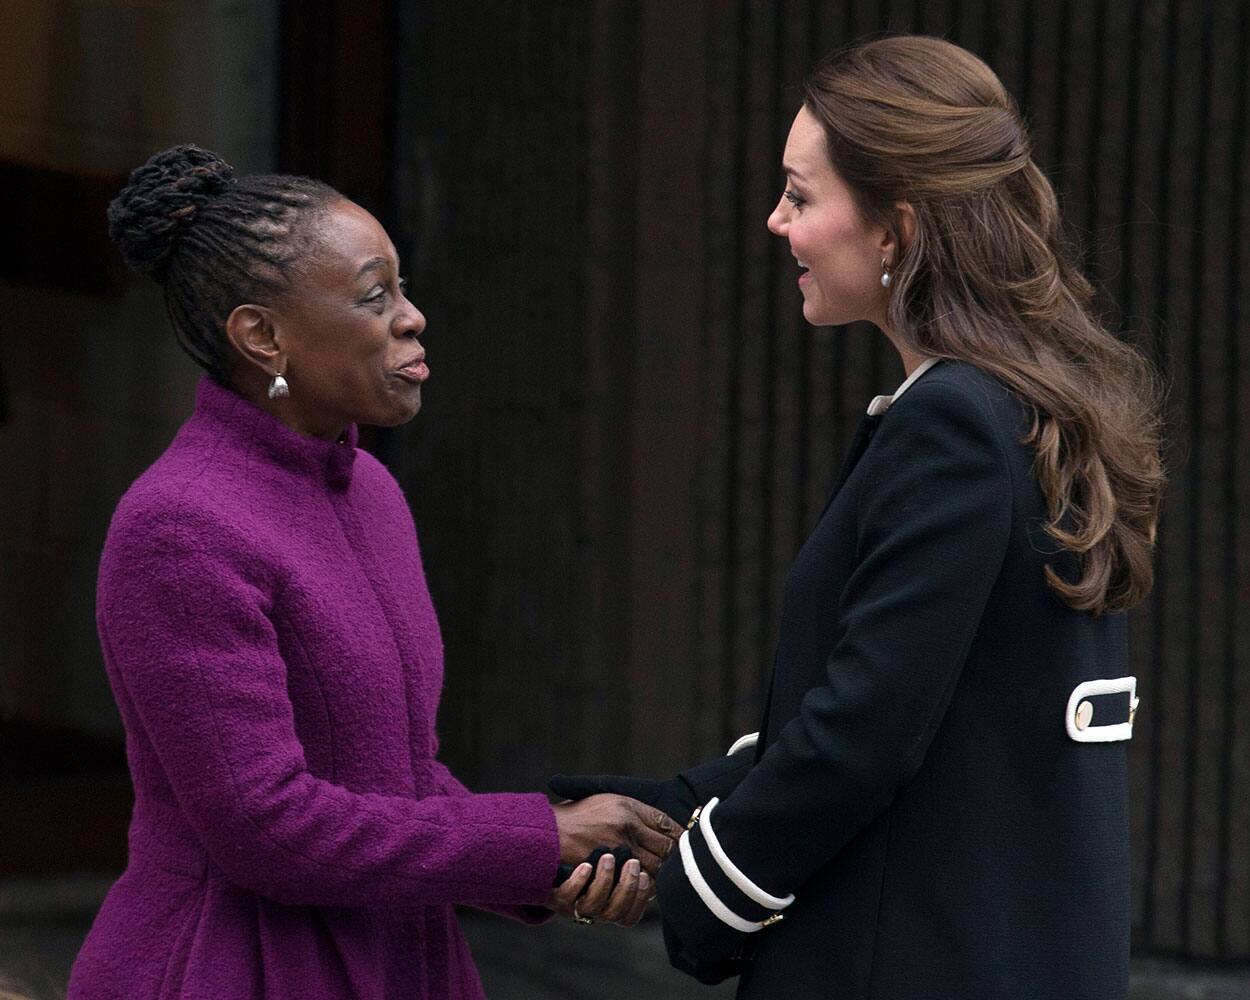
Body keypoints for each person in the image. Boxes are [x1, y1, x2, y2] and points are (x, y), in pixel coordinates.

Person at [550, 35, 1166, 1000]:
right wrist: (649, 810)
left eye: (799, 196)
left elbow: (861, 734)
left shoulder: (954, 424)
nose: (775, 221)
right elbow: (921, 715)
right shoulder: (1019, 405)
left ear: (897, 231)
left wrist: (696, 895)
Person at [68, 145, 679, 1000]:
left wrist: (548, 866)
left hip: (403, 956)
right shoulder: (179, 526)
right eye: (374, 295)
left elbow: (393, 771)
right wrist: (537, 835)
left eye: (402, 287)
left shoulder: (374, 493)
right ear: (261, 335)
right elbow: (265, 826)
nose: (413, 317)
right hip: (237, 967)